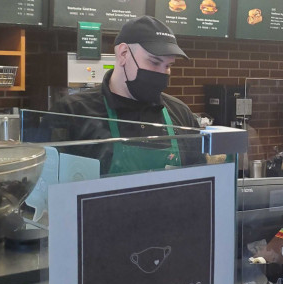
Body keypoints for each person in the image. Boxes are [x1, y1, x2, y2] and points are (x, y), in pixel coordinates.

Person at [49, 15, 202, 175]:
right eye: (154, 62)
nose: (162, 73)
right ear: (123, 53)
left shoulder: (180, 114)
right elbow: (49, 189)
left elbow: (201, 180)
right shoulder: (72, 112)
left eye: (168, 66)